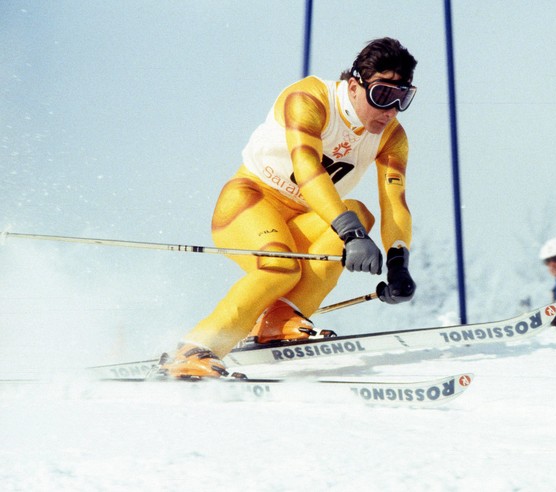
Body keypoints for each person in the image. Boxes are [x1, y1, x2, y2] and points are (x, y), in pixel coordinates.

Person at [159, 37, 419, 378]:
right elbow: (308, 172)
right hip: (249, 202)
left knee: (359, 212)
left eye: (403, 98)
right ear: (355, 85)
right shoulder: (310, 98)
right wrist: (351, 233)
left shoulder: (392, 136)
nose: (391, 110)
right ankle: (194, 348)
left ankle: (280, 319)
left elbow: (394, 201)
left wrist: (398, 261)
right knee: (281, 265)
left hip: (302, 220)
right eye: (383, 95)